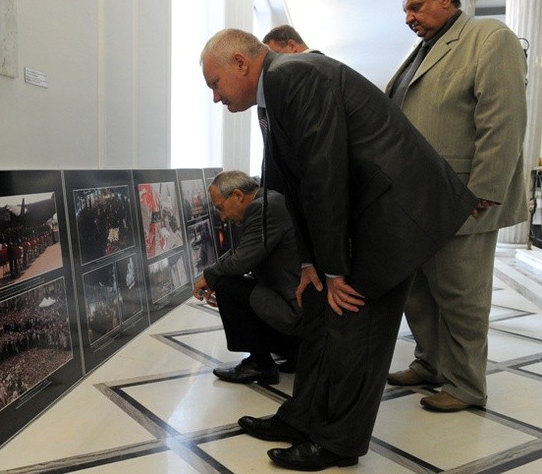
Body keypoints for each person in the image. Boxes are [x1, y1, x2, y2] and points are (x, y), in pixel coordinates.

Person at [200, 28, 478, 471]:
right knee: (318, 313)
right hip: (365, 213)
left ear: (239, 63)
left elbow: (323, 174)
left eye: (214, 83)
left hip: (394, 214)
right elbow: (293, 184)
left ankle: (338, 443)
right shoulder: (274, 89)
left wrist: (333, 269)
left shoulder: (294, 76)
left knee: (355, 329)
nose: (216, 97)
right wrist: (312, 263)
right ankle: (302, 417)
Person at [384, 0, 528, 412]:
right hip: (414, 201)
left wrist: (483, 190)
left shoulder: (489, 37)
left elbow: (502, 120)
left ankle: (467, 384)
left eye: (416, 7)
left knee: (461, 296)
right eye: (406, 10)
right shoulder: (423, 50)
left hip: (462, 196)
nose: (408, 18)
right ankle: (430, 362)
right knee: (419, 291)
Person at [192, 170, 310, 384]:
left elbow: (241, 261)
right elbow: (246, 252)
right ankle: (293, 351)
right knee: (231, 280)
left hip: (295, 313)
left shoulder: (263, 207)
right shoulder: (269, 199)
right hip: (297, 305)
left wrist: (209, 276)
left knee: (226, 284)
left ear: (238, 195)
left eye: (221, 208)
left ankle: (260, 363)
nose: (222, 217)